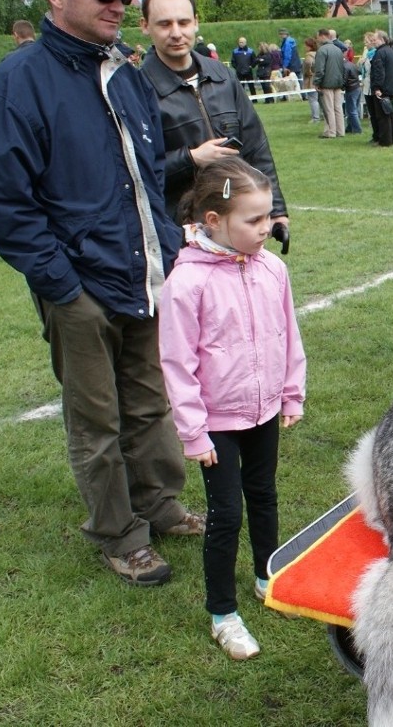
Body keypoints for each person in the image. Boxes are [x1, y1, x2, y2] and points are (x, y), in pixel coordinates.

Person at [0, 0, 204, 587]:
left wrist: (169, 246)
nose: (118, 5)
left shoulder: (126, 75)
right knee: (96, 417)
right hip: (79, 288)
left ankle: (159, 505)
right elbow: (4, 204)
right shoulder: (19, 81)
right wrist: (62, 286)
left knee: (149, 401)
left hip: (142, 272)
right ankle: (118, 533)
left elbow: (146, 179)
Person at [158, 158, 306, 659]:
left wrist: (290, 392)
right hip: (216, 423)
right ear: (213, 221)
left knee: (263, 494)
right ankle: (223, 612)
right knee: (227, 514)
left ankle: (268, 575)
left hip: (263, 411)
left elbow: (288, 334)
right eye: (254, 220)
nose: (267, 228)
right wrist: (194, 434)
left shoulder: (273, 269)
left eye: (268, 217)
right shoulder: (186, 283)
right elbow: (177, 363)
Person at [140, 0, 288, 229]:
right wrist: (191, 158)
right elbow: (135, 170)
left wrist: (277, 211)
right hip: (180, 229)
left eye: (183, 22)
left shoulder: (223, 75)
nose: (176, 32)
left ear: (196, 22)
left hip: (237, 224)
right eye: (165, 24)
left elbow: (256, 146)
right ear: (145, 26)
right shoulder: (137, 89)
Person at [313, 27, 346, 138]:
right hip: (338, 83)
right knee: (338, 107)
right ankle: (341, 131)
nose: (317, 39)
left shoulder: (322, 50)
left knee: (329, 108)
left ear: (322, 36)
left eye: (317, 37)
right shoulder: (338, 50)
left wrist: (317, 82)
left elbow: (319, 69)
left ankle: (331, 132)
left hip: (327, 83)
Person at [369, 29, 393, 147]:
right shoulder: (392, 52)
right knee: (391, 115)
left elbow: (379, 72)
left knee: (382, 116)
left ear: (382, 39)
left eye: (375, 40)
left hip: (383, 89)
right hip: (391, 87)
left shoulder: (379, 54)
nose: (373, 42)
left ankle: (385, 141)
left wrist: (377, 87)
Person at [359, 31, 378, 143]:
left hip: (372, 85)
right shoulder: (368, 53)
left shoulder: (374, 54)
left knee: (374, 111)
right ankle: (374, 134)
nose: (365, 44)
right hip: (366, 84)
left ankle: (377, 133)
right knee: (371, 111)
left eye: (367, 42)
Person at [301, 36, 322, 123]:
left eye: (305, 45)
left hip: (311, 80)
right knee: (320, 99)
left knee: (313, 99)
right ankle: (323, 115)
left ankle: (315, 117)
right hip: (319, 78)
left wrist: (308, 72)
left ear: (309, 46)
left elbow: (308, 64)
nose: (304, 47)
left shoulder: (309, 55)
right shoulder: (319, 53)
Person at [343, 57, 363, 134]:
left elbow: (344, 80)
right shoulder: (352, 64)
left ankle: (357, 129)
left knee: (351, 111)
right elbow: (359, 72)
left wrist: (340, 87)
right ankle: (350, 127)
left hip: (351, 89)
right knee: (355, 109)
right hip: (357, 87)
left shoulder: (344, 67)